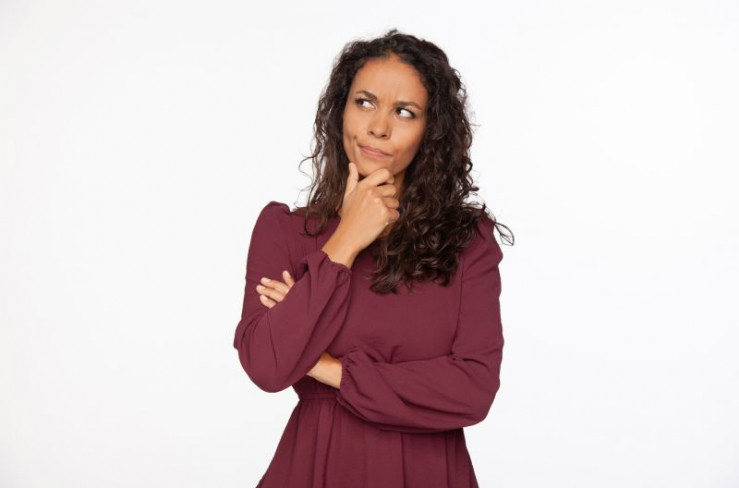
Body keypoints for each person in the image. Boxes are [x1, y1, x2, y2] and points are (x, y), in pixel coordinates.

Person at [232, 28, 514, 488]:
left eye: (404, 112)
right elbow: (267, 366)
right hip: (316, 469)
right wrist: (346, 240)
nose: (379, 127)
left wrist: (325, 367)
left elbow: (473, 390)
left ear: (430, 131)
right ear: (340, 110)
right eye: (364, 102)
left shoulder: (468, 243)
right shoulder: (284, 230)